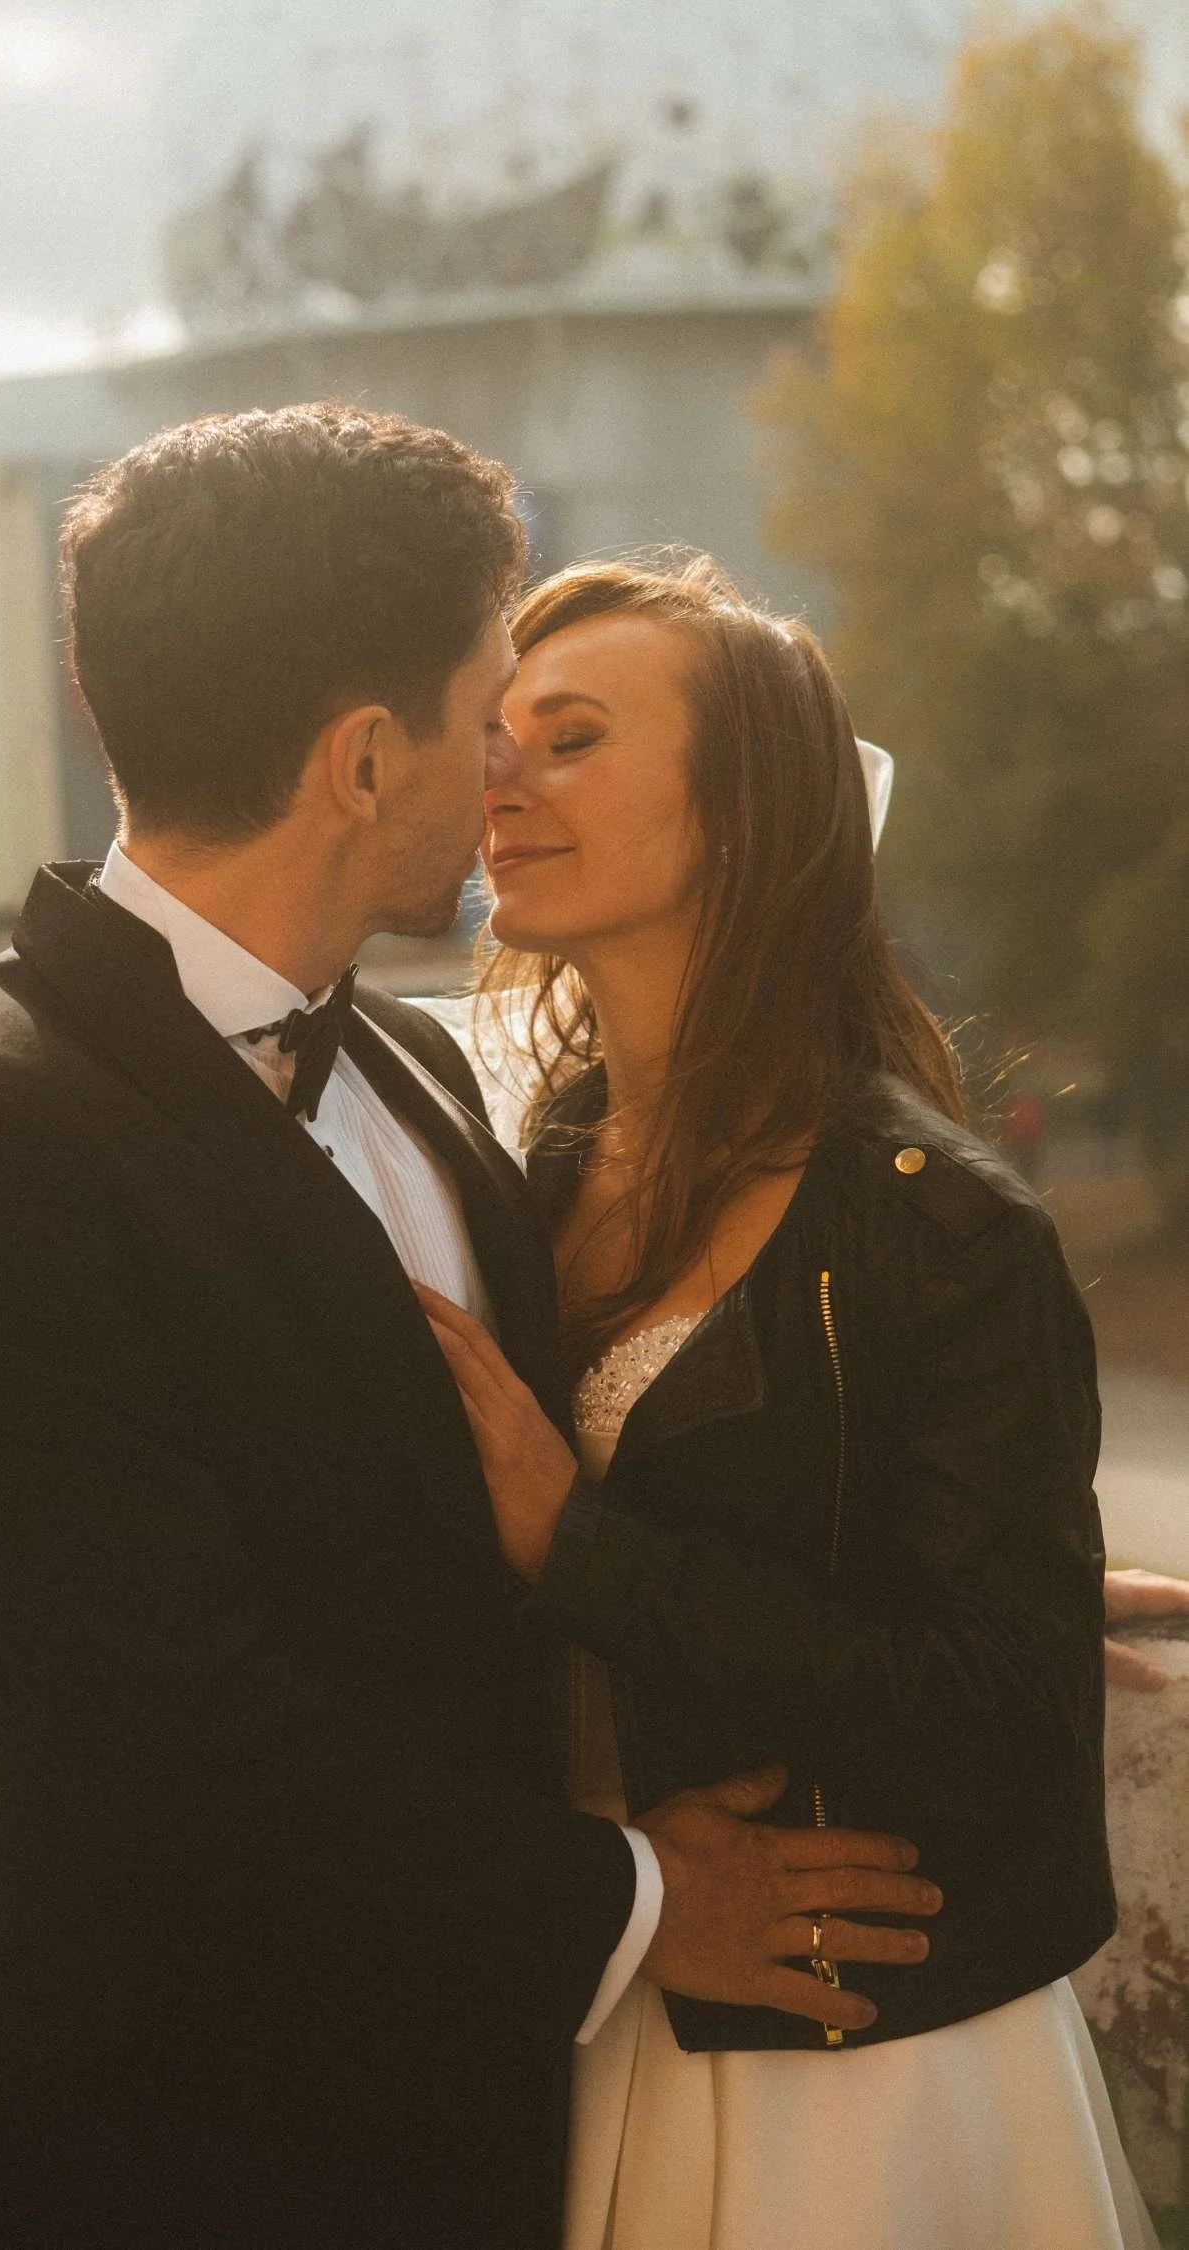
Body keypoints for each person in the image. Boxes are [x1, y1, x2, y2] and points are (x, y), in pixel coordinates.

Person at [0, 411, 944, 2250]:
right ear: (362, 761)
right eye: (489, 706)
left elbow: (571, 1459)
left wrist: (927, 1550)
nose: (507, 759)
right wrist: (642, 1899)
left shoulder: (420, 1059)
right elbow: (169, 1732)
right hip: (209, 2165)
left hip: (498, 2139)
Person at [422, 555, 1160, 2249]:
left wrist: (575, 1543)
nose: (501, 781)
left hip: (866, 2065)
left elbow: (1006, 1713)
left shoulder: (940, 1220)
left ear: (742, 815)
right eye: (498, 737)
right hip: (618, 2003)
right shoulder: (535, 1163)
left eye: (573, 738)